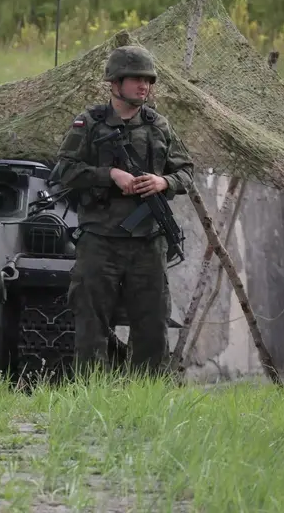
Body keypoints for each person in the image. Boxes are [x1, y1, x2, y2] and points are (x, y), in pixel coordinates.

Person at [52, 44, 194, 376]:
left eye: (148, 80)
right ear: (115, 83)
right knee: (91, 325)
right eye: (135, 79)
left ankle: (147, 400)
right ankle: (90, 396)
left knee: (152, 328)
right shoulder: (88, 124)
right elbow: (65, 171)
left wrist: (163, 183)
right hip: (100, 241)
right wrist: (110, 175)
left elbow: (187, 172)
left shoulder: (159, 125)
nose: (144, 86)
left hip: (148, 242)